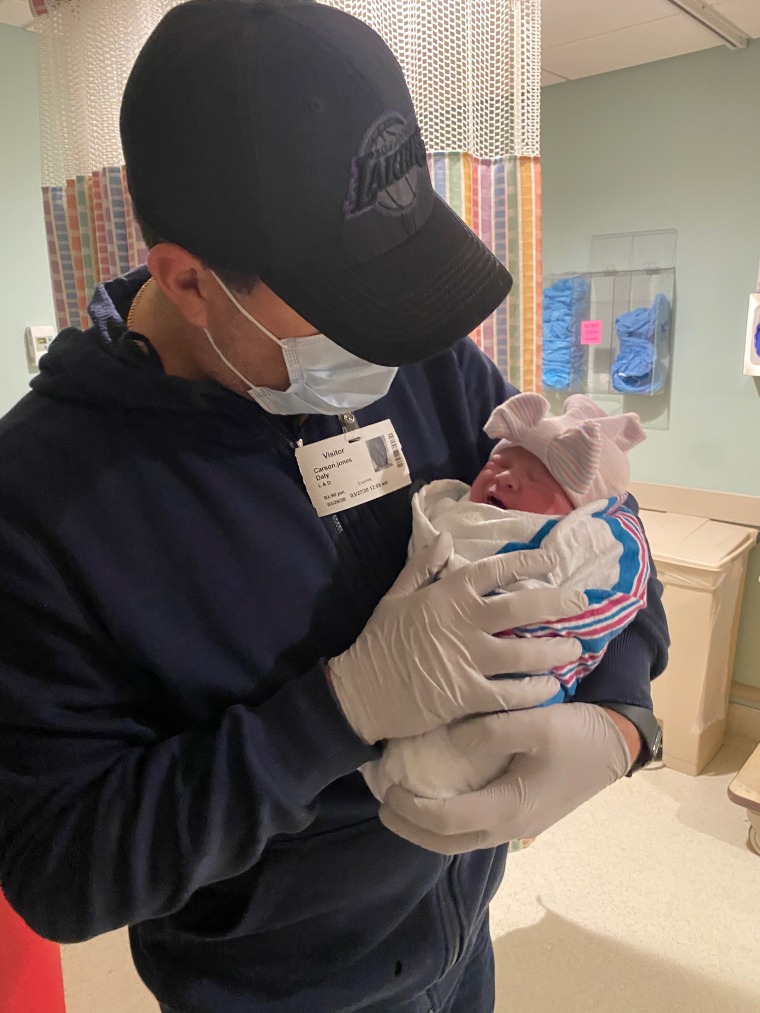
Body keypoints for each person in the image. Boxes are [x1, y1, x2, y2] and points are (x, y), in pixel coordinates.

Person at [0, 2, 669, 1012]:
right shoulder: (40, 504)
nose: (388, 353)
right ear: (188, 279)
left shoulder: (425, 358)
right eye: (345, 313)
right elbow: (62, 868)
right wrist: (338, 709)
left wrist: (619, 718)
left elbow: (591, 531)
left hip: (458, 941)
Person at [363, 393, 651, 803]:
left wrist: (624, 711)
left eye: (538, 480)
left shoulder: (580, 538)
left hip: (502, 702)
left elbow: (618, 588)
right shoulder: (455, 508)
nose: (506, 479)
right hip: (344, 788)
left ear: (580, 512)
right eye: (496, 464)